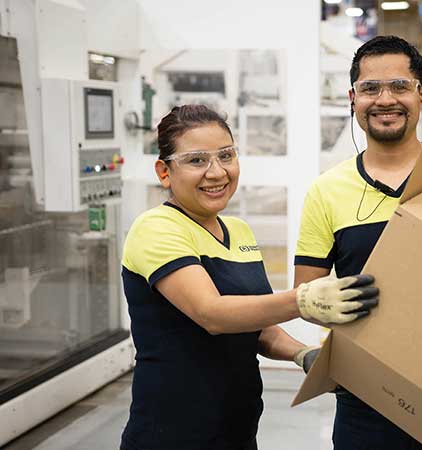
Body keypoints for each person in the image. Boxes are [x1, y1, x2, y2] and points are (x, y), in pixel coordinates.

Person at [119, 105, 379, 450]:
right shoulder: (156, 228)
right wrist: (301, 300)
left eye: (226, 156)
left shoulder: (238, 231)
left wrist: (302, 354)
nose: (217, 172)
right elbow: (211, 313)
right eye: (197, 160)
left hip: (236, 431)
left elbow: (258, 329)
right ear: (164, 172)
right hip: (171, 432)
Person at [293, 36, 422, 450]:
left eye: (400, 86)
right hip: (365, 393)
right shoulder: (326, 191)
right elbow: (306, 293)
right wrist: (327, 302)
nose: (384, 99)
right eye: (370, 88)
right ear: (353, 98)